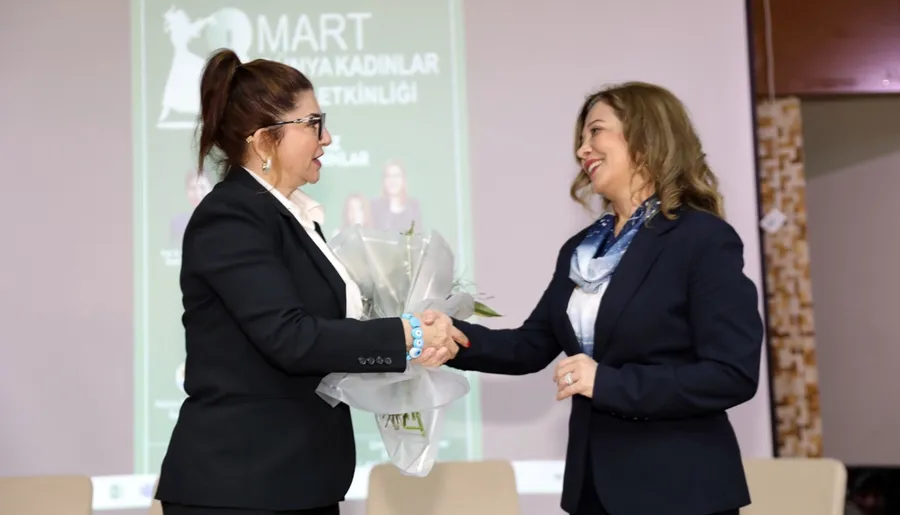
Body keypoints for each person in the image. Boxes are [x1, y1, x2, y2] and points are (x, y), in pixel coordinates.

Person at [153, 48, 467, 515]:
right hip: (242, 486)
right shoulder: (231, 216)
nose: (328, 138)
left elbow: (320, 339)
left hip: (295, 481)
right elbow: (290, 337)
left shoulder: (291, 216)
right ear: (264, 139)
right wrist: (409, 334)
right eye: (314, 123)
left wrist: (409, 339)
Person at [428, 81, 764, 515]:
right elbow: (530, 345)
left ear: (646, 137)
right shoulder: (582, 248)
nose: (582, 149)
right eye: (581, 138)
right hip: (594, 491)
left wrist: (607, 383)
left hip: (680, 491)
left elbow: (731, 373)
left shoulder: (702, 238)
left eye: (595, 131)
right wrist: (450, 336)